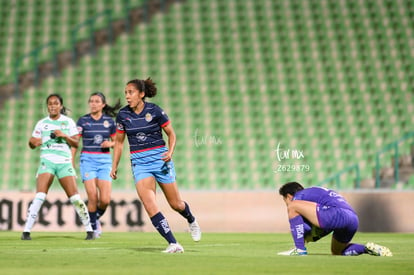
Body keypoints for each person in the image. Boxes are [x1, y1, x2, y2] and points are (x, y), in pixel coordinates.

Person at [110, 77, 201, 253]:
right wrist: (114, 166)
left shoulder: (155, 110)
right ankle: (173, 243)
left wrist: (170, 152)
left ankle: (191, 220)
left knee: (176, 204)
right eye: (126, 93)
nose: (127, 96)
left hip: (160, 161)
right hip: (140, 163)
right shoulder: (123, 115)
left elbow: (172, 135)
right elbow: (119, 143)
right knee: (150, 205)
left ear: (141, 94)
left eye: (131, 92)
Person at [21, 94, 94, 240]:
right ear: (47, 106)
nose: (52, 106)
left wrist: (64, 135)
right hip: (46, 161)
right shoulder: (42, 124)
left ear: (61, 106)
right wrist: (32, 142)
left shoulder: (68, 122)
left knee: (75, 198)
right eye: (50, 103)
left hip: (64, 162)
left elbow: (76, 143)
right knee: (40, 195)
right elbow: (32, 143)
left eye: (55, 103)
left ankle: (89, 230)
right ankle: (26, 231)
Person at [277, 181, 392, 256]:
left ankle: (299, 250)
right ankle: (366, 248)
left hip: (335, 214)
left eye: (285, 201)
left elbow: (307, 229)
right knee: (337, 251)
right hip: (352, 218)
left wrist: (304, 237)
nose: (286, 204)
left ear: (288, 196)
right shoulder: (314, 192)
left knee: (293, 207)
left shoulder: (299, 196)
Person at [72, 92, 121, 238]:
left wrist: (110, 143)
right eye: (91, 101)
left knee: (105, 200)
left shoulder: (109, 122)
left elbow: (117, 143)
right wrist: (71, 161)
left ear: (103, 105)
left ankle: (95, 218)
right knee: (92, 196)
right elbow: (75, 143)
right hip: (87, 159)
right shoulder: (83, 121)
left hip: (104, 160)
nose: (93, 103)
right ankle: (92, 228)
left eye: (96, 101)